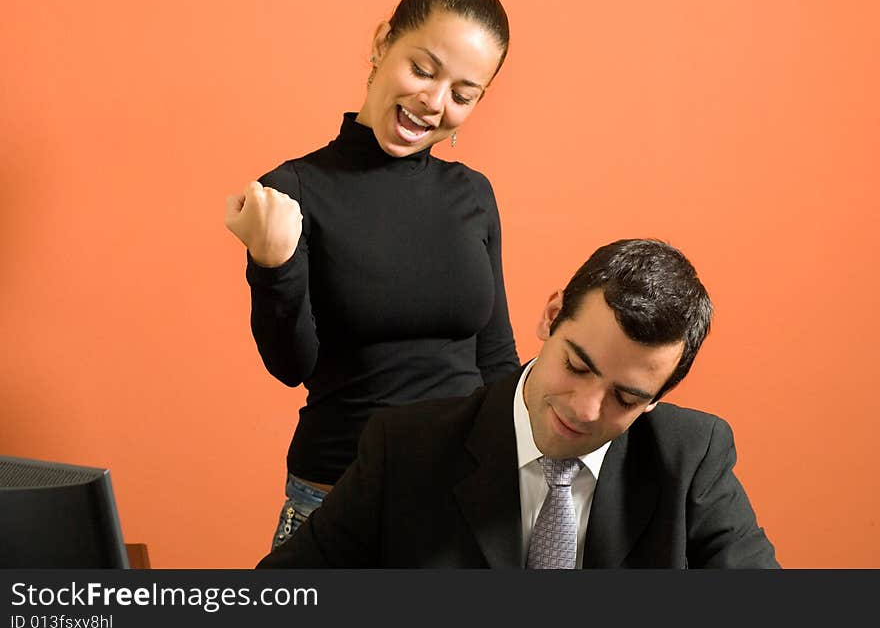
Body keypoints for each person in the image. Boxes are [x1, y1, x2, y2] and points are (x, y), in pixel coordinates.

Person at [256, 239, 780, 569]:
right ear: (552, 316)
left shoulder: (692, 456)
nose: (586, 409)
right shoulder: (406, 447)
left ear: (657, 400)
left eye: (626, 397)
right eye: (577, 366)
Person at [224, 0, 520, 551]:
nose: (434, 103)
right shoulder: (292, 192)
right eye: (423, 70)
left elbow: (496, 358)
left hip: (461, 503)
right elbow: (292, 365)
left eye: (463, 94)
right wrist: (273, 263)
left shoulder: (474, 196)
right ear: (384, 42)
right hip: (338, 499)